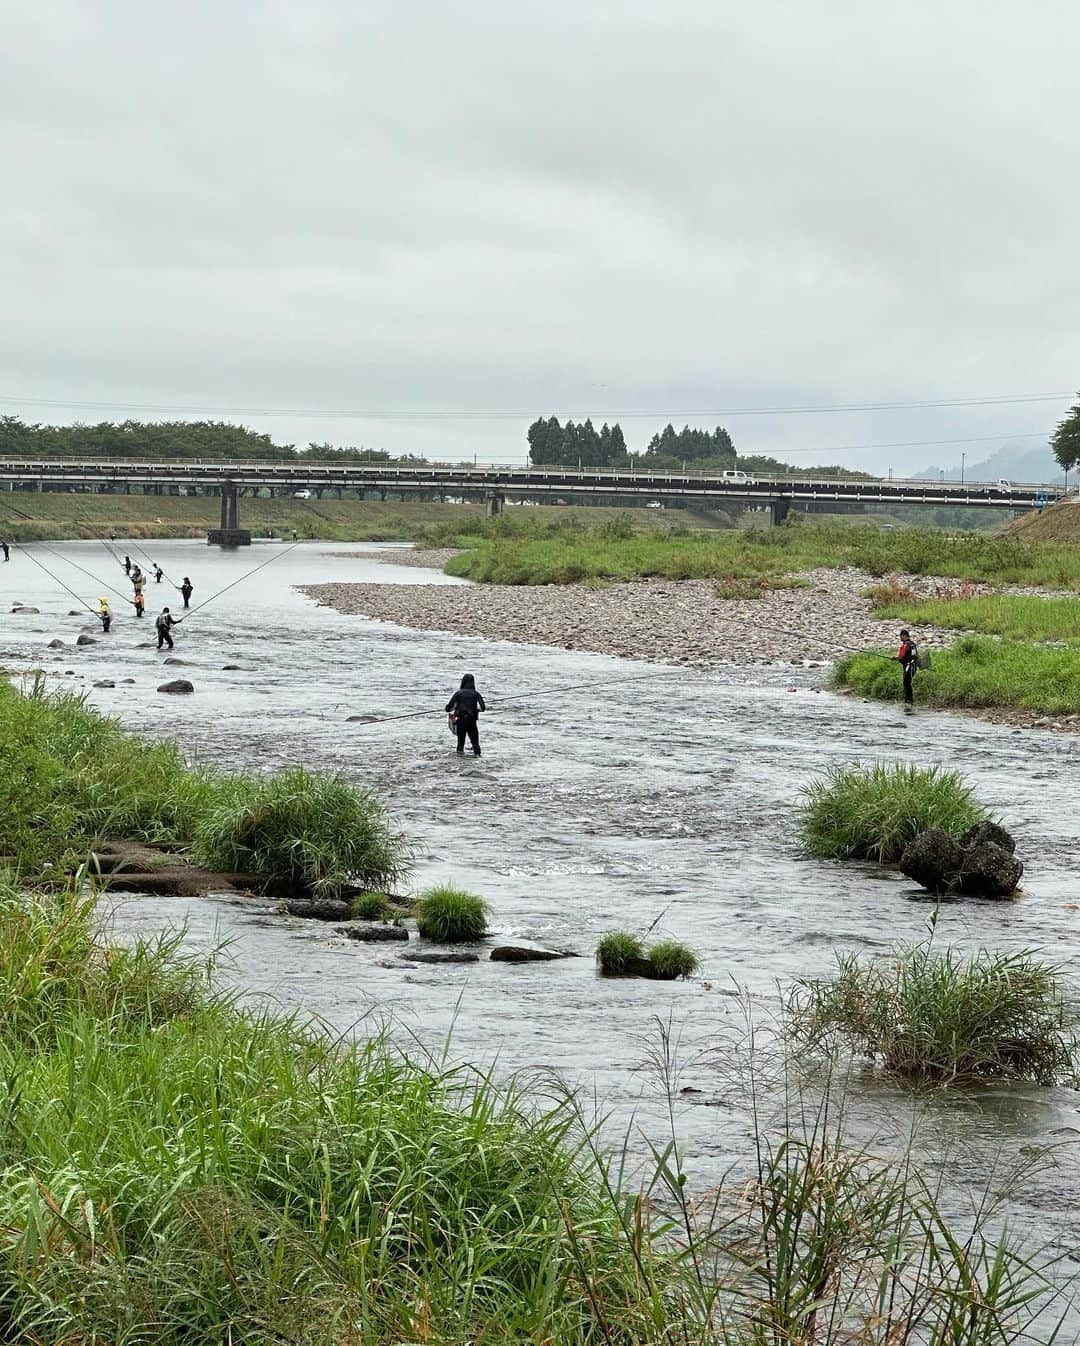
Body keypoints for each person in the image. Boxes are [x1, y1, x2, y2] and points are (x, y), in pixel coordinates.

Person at [445, 673, 486, 756]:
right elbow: (483, 708)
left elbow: (448, 708)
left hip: (460, 721)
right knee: (475, 743)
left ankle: (460, 762)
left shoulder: (458, 693)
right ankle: (478, 759)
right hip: (472, 721)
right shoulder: (476, 694)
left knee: (460, 744)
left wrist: (453, 708)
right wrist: (476, 709)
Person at [896, 628, 918, 706]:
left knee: (906, 683)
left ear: (904, 636)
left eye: (901, 636)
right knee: (908, 683)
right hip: (914, 667)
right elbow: (915, 656)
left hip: (908, 667)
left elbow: (901, 656)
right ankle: (910, 700)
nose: (900, 638)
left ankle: (908, 700)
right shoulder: (913, 644)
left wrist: (894, 658)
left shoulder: (905, 645)